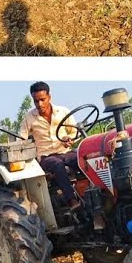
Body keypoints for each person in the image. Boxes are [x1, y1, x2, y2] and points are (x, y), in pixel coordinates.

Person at [18, 81, 81, 209]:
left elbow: (75, 131)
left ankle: (92, 192)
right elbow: (21, 139)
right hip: (46, 157)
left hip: (65, 152)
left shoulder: (63, 111)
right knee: (57, 164)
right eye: (36, 101)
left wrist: (70, 138)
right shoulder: (29, 117)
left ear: (49, 97)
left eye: (42, 99)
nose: (39, 104)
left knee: (82, 157)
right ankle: (72, 201)